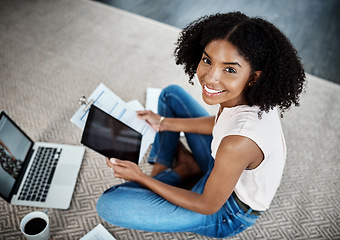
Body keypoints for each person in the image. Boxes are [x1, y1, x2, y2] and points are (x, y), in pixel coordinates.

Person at [96, 12, 305, 238]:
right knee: (170, 95)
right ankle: (179, 166)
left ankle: (177, 171)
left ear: (254, 77)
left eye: (230, 69)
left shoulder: (240, 141)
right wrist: (164, 123)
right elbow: (221, 124)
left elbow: (207, 205)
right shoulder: (248, 98)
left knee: (109, 204)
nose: (210, 77)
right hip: (221, 164)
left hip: (228, 211)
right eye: (207, 60)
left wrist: (141, 178)